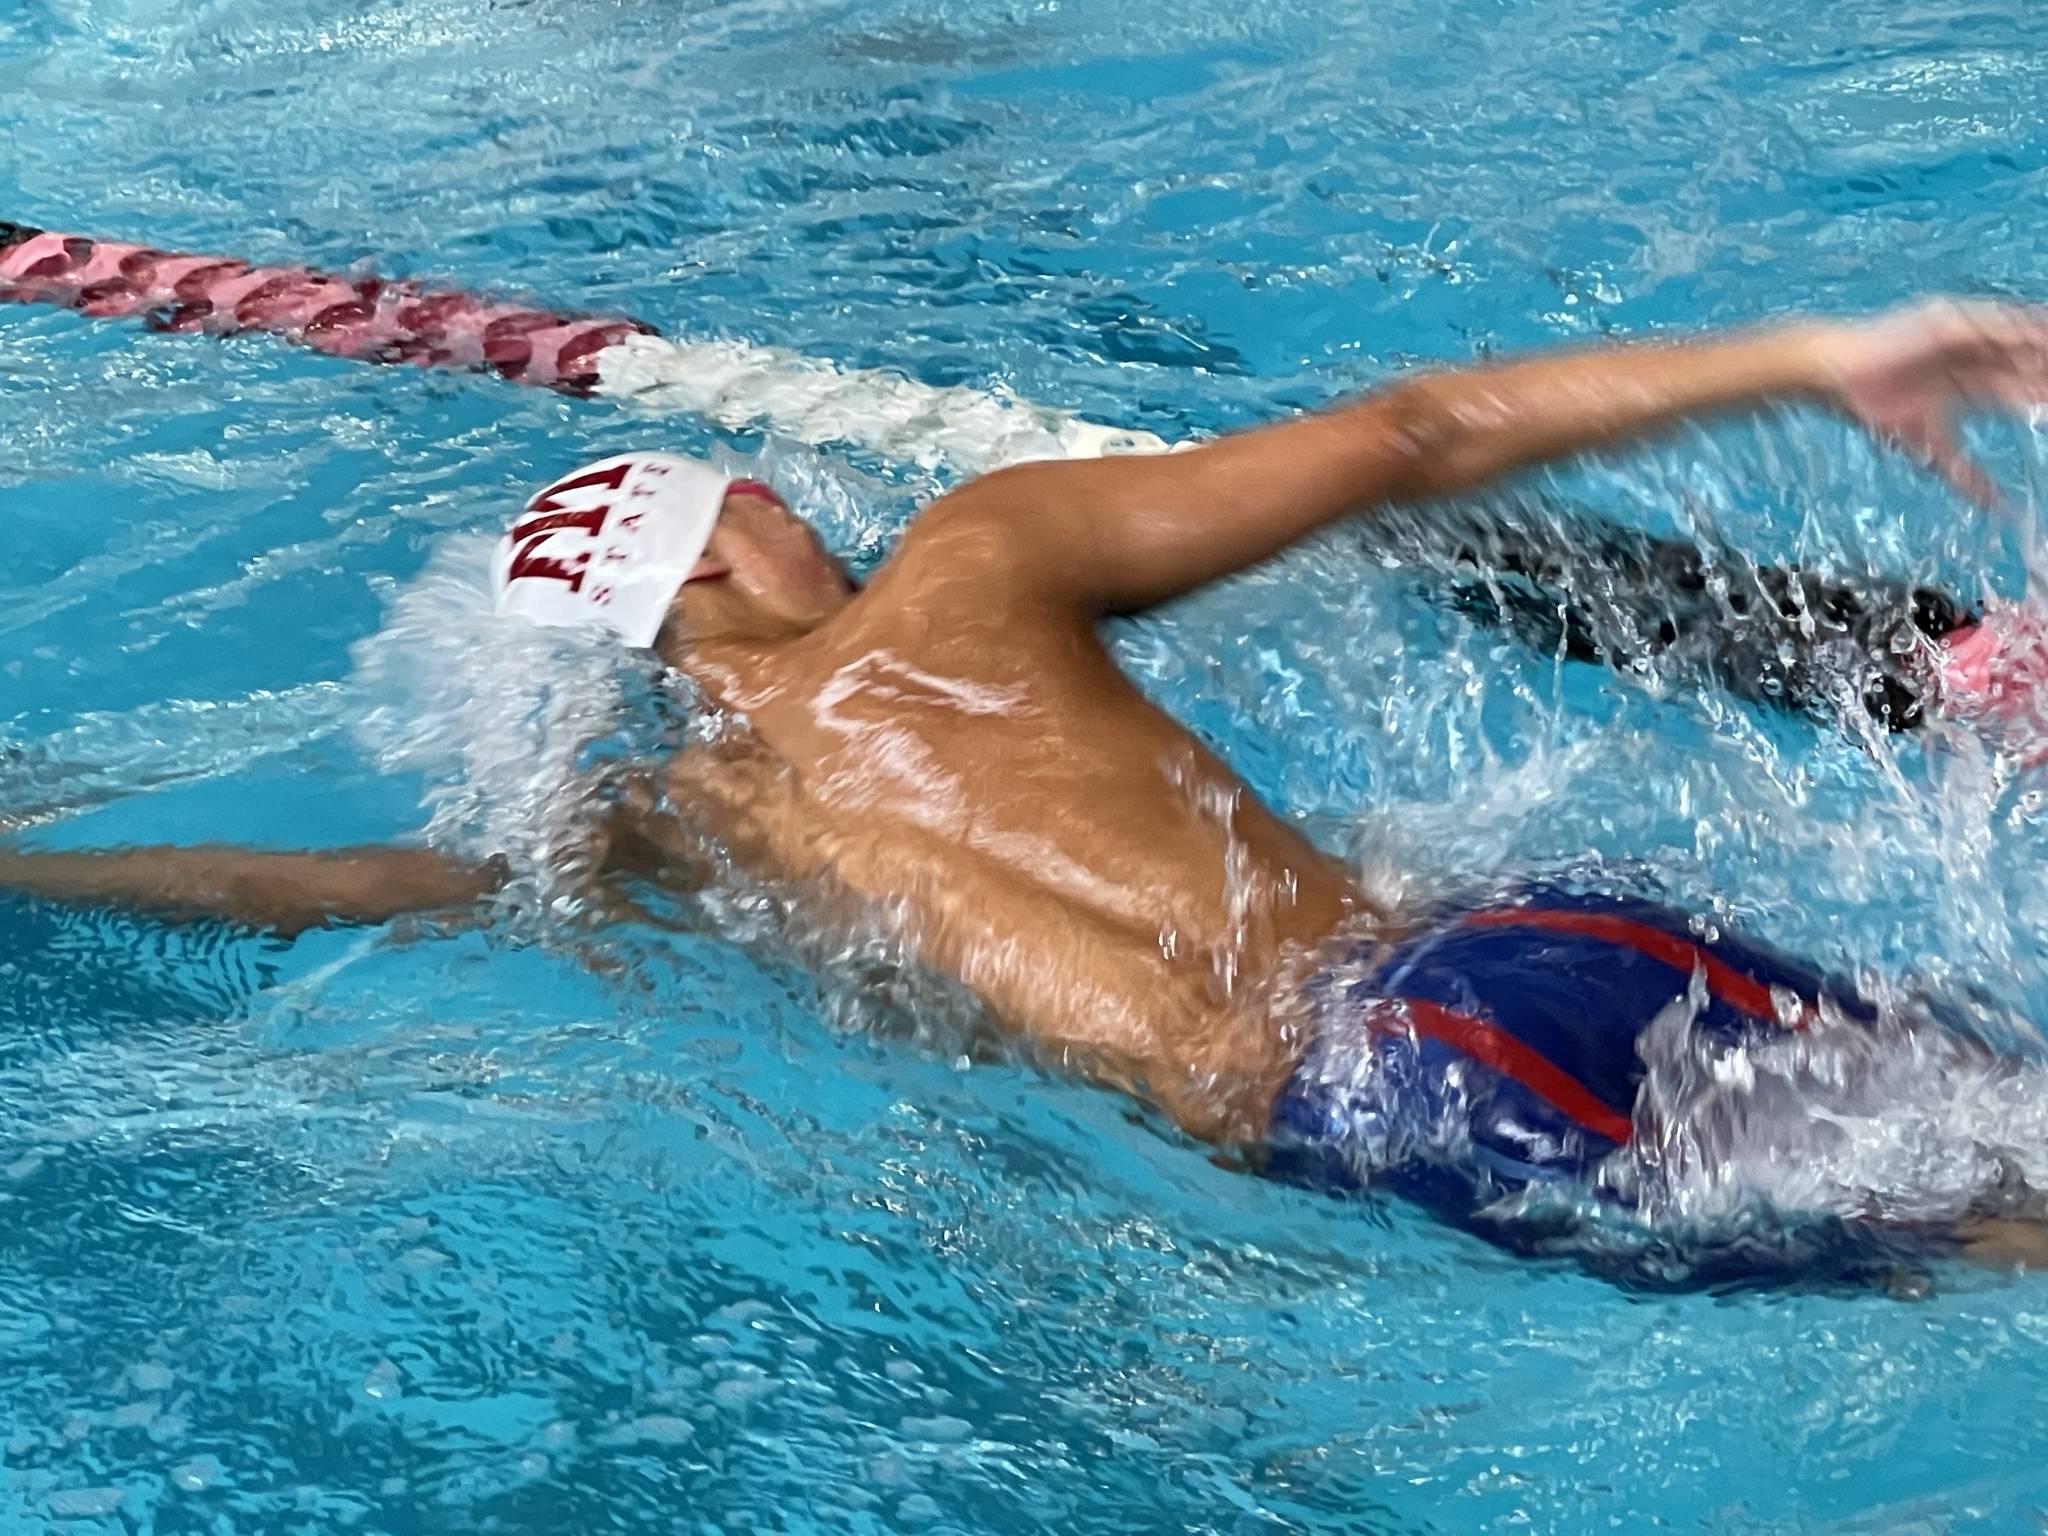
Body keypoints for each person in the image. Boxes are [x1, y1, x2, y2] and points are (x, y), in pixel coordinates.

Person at [7, 300, 2048, 1269]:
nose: (821, 522)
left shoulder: (664, 829)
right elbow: (1421, 425)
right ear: (719, 556)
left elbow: (345, 889)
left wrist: (38, 876)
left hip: (1347, 1119)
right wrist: (1810, 357)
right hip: (1484, 959)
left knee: (1975, 1263)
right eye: (777, 503)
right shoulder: (969, 572)